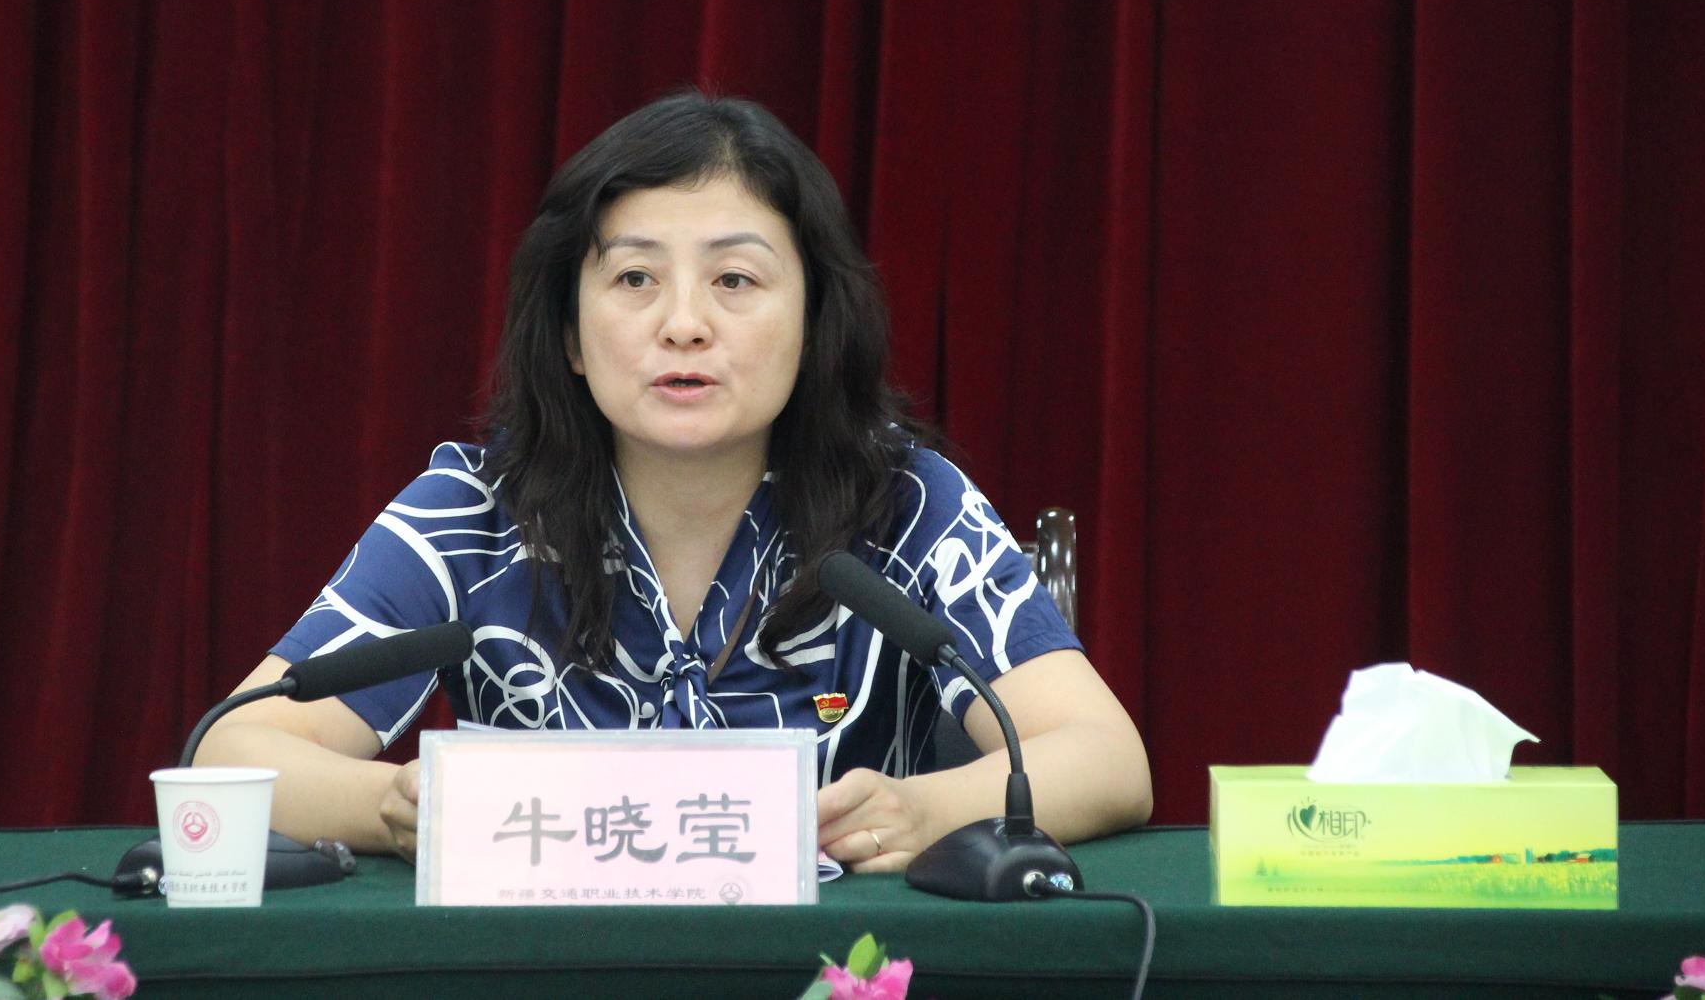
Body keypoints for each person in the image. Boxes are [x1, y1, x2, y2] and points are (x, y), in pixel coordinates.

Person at [195, 90, 1152, 870]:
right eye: (634, 279)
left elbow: (1105, 756)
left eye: (735, 280)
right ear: (570, 335)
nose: (684, 324)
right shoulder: (473, 514)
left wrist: (923, 810)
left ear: (815, 323)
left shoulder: (906, 506)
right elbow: (229, 750)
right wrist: (396, 804)